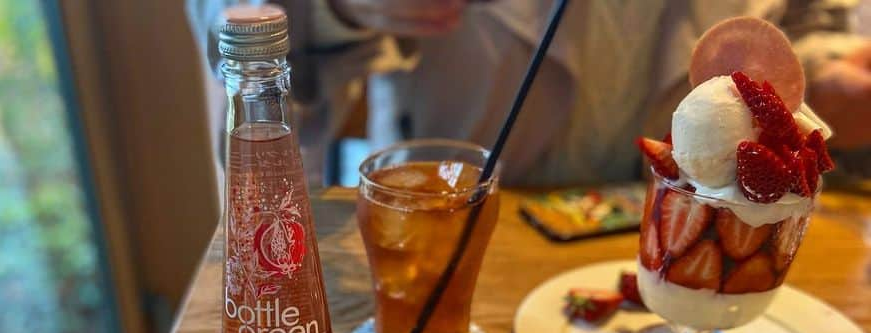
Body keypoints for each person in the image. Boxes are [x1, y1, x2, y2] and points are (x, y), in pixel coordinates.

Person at [187, 0, 871, 186]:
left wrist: (826, 80)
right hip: (457, 233)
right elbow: (237, 28)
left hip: (674, 238)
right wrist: (346, 7)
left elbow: (808, 27)